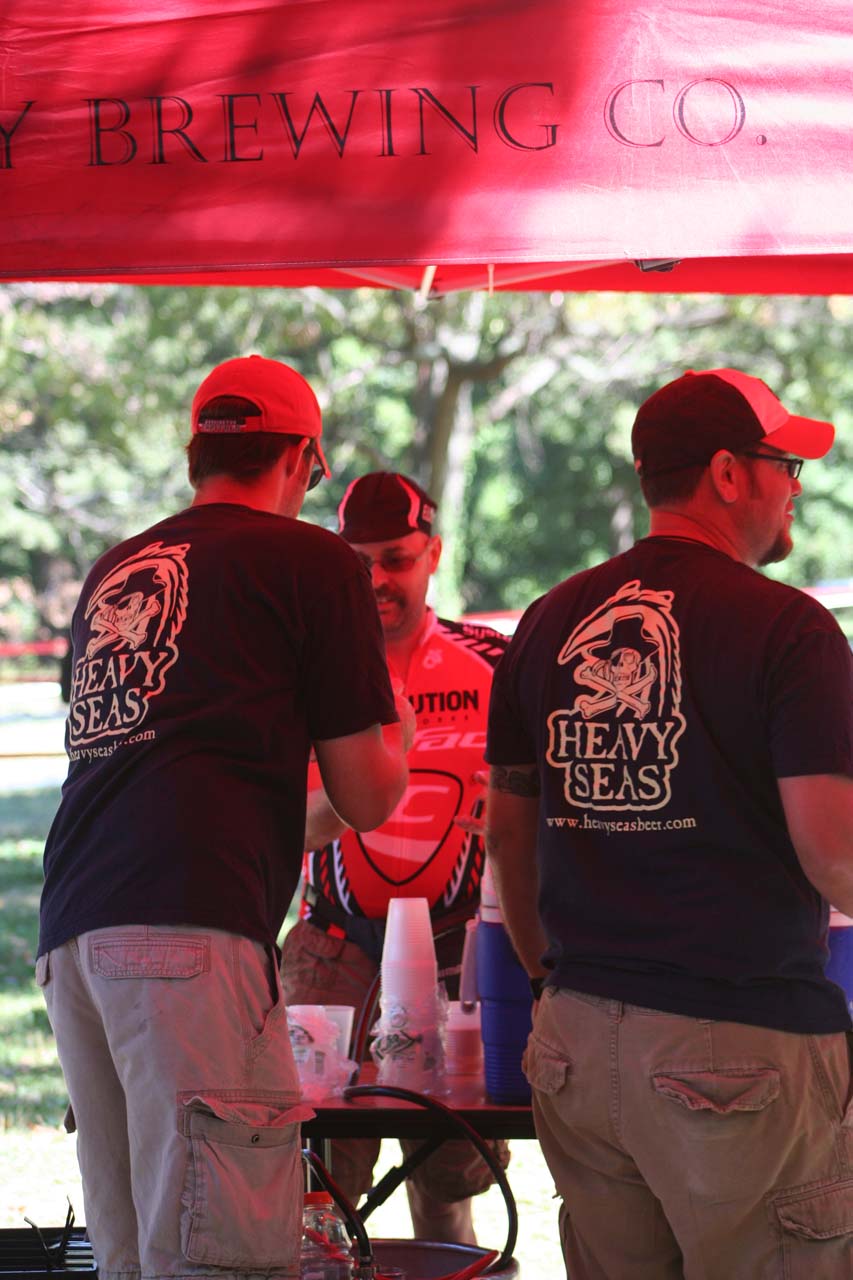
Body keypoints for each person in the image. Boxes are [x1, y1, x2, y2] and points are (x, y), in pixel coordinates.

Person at [37, 356, 412, 1280]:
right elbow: (368, 797)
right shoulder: (308, 559)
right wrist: (397, 722)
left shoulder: (116, 569)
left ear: (196, 454)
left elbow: (177, 778)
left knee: (134, 1251)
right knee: (223, 1248)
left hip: (75, 933)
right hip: (189, 935)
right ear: (302, 462)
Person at [484, 368, 853, 1280]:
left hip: (573, 1041)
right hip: (735, 1048)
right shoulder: (790, 629)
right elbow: (835, 854)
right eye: (783, 465)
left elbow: (507, 841)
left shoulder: (547, 621)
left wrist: (549, 982)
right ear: (728, 475)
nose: (793, 488)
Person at [281, 471, 511, 1244]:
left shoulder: (492, 661)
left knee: (447, 1181)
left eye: (397, 559)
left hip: (455, 945)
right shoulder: (300, 667)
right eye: (359, 561)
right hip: (334, 943)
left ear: (434, 553)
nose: (377, 579)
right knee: (313, 1192)